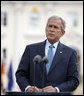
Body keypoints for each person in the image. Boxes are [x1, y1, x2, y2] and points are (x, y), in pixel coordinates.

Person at [15, 16, 79, 93]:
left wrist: (56, 89)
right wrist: (28, 88)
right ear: (46, 29)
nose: (51, 30)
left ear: (62, 33)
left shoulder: (70, 53)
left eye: (55, 27)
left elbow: (74, 81)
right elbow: (20, 74)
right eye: (49, 26)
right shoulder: (30, 49)